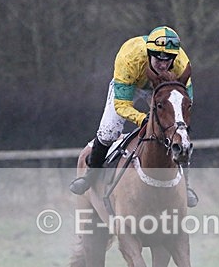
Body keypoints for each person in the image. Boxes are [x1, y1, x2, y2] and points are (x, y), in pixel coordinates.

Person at [69, 25, 198, 207]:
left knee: (178, 135)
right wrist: (143, 119)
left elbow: (184, 104)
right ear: (148, 53)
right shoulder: (130, 57)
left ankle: (186, 186)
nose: (163, 64)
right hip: (131, 86)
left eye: (168, 60)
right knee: (109, 132)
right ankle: (91, 176)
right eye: (158, 59)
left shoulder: (180, 65)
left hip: (161, 89)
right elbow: (122, 105)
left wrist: (176, 124)